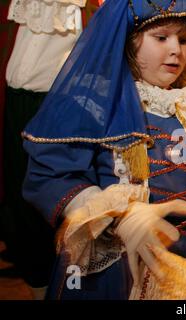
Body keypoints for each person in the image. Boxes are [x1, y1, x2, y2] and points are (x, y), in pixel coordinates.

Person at [22, 0, 186, 300]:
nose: (176, 49)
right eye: (161, 37)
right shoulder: (94, 104)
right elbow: (51, 175)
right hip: (117, 272)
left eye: (184, 40)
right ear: (128, 40)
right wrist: (118, 215)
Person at [0, 0, 101, 299]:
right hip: (14, 102)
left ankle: (61, 286)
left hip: (64, 105)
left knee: (61, 207)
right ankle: (39, 284)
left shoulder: (91, 6)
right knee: (18, 206)